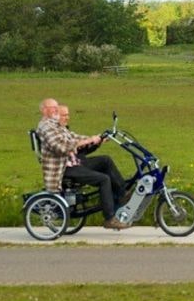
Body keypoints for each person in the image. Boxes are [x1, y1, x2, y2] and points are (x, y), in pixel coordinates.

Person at [36, 98, 128, 230]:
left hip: (75, 162)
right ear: (44, 110)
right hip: (64, 169)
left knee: (105, 160)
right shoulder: (45, 127)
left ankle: (121, 194)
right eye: (53, 107)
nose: (56, 109)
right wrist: (89, 140)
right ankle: (110, 218)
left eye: (57, 107)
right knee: (103, 179)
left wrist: (98, 139)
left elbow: (75, 137)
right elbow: (61, 147)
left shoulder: (55, 126)